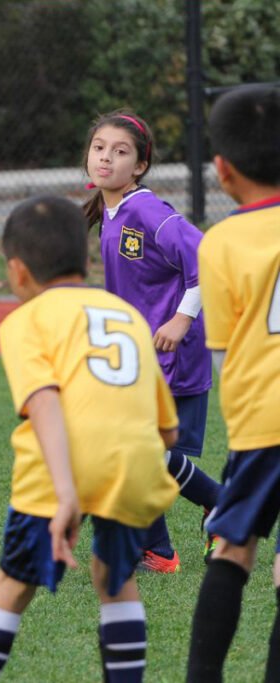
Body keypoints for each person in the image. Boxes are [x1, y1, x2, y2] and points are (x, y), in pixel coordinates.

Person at [0, 196, 180, 682]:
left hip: (58, 472)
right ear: (87, 258)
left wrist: (66, 495)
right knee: (116, 581)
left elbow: (44, 403)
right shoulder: (124, 314)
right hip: (133, 465)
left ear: (17, 272)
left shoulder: (26, 320)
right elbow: (169, 430)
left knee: (13, 584)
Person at [82, 109, 221, 573]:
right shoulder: (111, 210)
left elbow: (205, 257)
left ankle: (218, 509)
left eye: (120, 152)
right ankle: (162, 550)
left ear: (139, 165)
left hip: (172, 353)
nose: (106, 158)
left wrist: (181, 320)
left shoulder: (146, 210)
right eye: (99, 148)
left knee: (146, 453)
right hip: (138, 352)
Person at [186, 84, 280, 682]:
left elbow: (223, 347)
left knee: (234, 549)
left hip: (263, 421)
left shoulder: (220, 243)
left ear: (221, 171)